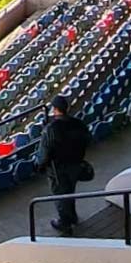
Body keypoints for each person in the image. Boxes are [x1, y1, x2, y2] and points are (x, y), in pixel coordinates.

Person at [38, 95, 90, 234]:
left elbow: (45, 152)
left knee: (60, 195)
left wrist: (40, 166)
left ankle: (65, 223)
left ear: (55, 110)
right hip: (76, 165)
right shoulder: (78, 124)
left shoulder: (51, 129)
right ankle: (72, 216)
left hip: (58, 169)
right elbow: (87, 140)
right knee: (70, 191)